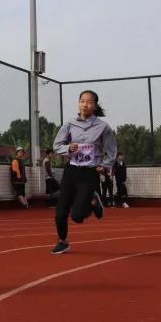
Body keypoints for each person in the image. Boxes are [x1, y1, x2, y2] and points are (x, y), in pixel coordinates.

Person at [50, 90, 117, 254]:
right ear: (78, 103)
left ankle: (94, 200)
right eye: (82, 101)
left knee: (78, 216)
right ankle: (63, 241)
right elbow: (56, 145)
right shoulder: (69, 124)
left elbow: (112, 151)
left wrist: (105, 165)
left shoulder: (103, 127)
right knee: (60, 213)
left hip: (89, 173)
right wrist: (68, 148)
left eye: (89, 102)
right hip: (71, 171)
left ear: (95, 106)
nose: (84, 105)